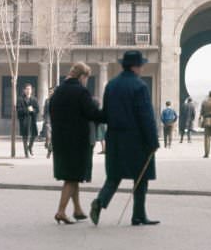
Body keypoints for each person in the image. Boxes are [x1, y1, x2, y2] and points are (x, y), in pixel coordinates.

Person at [89, 51, 159, 226]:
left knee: (114, 176)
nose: (142, 68)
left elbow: (104, 115)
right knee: (140, 178)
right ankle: (138, 215)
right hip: (136, 140)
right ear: (135, 66)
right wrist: (153, 141)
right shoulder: (140, 87)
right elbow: (146, 117)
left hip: (115, 138)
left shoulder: (111, 85)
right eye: (141, 65)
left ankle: (100, 202)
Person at [50, 63, 105, 224]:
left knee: (73, 175)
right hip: (77, 141)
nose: (86, 81)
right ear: (82, 76)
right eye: (86, 78)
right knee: (72, 177)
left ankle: (77, 209)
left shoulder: (58, 91)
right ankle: (61, 211)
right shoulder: (81, 92)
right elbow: (92, 113)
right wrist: (106, 115)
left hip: (60, 140)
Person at [15, 84, 39, 157]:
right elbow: (19, 110)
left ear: (31, 90)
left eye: (30, 89)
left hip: (32, 119)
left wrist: (32, 110)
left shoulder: (34, 99)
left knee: (34, 135)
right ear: (24, 90)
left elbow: (37, 110)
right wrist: (28, 109)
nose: (28, 91)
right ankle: (26, 153)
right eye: (27, 89)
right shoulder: (20, 99)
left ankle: (30, 147)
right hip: (24, 120)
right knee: (25, 136)